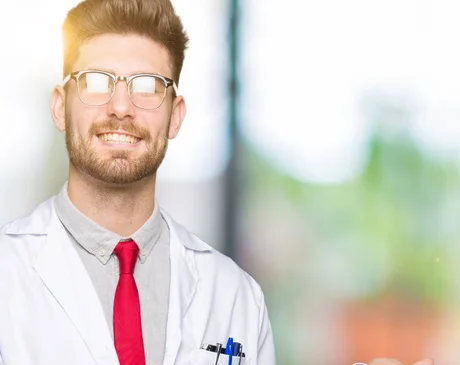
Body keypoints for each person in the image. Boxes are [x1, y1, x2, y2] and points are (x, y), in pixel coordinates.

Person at [0, 0, 433, 364]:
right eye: (96, 82)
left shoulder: (235, 296)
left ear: (176, 115)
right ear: (60, 106)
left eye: (147, 86)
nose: (120, 106)